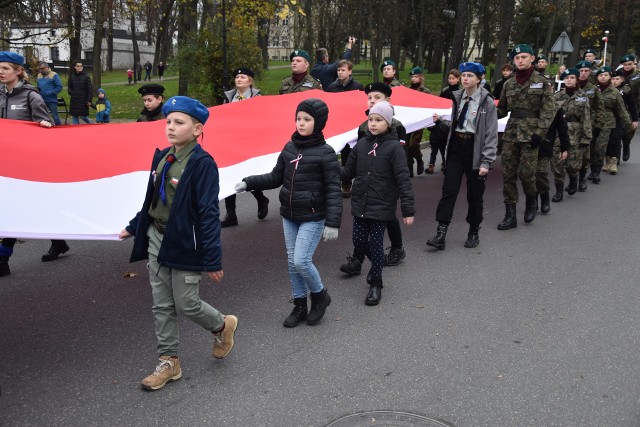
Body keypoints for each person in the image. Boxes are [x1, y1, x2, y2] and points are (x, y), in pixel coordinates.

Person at [118, 96, 238, 391]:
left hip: (186, 243)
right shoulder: (162, 156)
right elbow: (153, 199)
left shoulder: (202, 164)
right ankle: (169, 361)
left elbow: (209, 213)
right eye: (168, 121)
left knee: (187, 303)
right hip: (157, 237)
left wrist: (212, 258)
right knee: (162, 304)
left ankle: (223, 325)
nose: (170, 127)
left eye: (179, 122)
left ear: (197, 129)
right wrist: (134, 227)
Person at [234, 99, 341, 327]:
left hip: (313, 215)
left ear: (318, 122)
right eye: (298, 118)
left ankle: (320, 296)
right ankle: (300, 305)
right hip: (290, 214)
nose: (300, 123)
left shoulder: (326, 153)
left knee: (302, 261)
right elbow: (275, 177)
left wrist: (333, 222)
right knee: (292, 262)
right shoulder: (289, 147)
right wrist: (249, 182)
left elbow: (333, 188)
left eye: (307, 119)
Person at [0, 51, 70, 277]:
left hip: (25, 164)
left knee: (15, 207)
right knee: (35, 205)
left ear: (18, 71)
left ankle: (3, 257)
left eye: (5, 68)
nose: (0, 72)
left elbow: (47, 124)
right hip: (4, 161)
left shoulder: (32, 97)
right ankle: (59, 241)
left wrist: (44, 126)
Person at [340, 101, 414, 305]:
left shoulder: (395, 148)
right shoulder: (361, 144)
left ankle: (376, 282)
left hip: (382, 205)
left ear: (388, 123)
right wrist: (328, 167)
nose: (373, 124)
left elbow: (403, 179)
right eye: (370, 119)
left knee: (375, 243)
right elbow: (348, 172)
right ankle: (376, 267)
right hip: (360, 203)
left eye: (378, 120)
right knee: (359, 241)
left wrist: (408, 209)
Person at [426, 62, 497, 250]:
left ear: (479, 78)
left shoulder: (487, 101)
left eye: (470, 76)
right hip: (457, 148)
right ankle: (441, 232)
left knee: (474, 196)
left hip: (475, 149)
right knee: (448, 192)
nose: (465, 79)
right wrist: (441, 122)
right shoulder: (457, 97)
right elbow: (457, 124)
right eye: (464, 75)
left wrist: (486, 161)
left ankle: (473, 230)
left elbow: (491, 133)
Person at [345, 82, 408, 267]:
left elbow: (399, 156)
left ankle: (397, 248)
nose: (372, 101)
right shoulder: (364, 126)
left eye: (377, 98)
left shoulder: (396, 126)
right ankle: (358, 258)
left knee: (387, 216)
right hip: (367, 179)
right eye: (369, 98)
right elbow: (359, 153)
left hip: (387, 180)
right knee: (363, 217)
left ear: (388, 101)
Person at [496, 44, 555, 230]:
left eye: (523, 57)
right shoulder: (508, 84)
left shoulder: (542, 82)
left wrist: (540, 133)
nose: (520, 60)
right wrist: (485, 110)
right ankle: (510, 215)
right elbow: (502, 109)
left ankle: (531, 201)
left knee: (527, 174)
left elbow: (548, 111)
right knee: (508, 174)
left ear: (531, 58)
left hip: (532, 134)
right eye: (517, 58)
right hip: (512, 133)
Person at [220, 67, 269, 227]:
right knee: (230, 175)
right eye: (237, 77)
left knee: (247, 176)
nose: (239, 79)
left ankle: (261, 199)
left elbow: (262, 119)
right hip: (230, 141)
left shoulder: (257, 98)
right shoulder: (229, 98)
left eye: (243, 77)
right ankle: (231, 214)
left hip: (250, 142)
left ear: (250, 81)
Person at [552, 68, 591, 199]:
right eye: (567, 78)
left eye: (572, 77)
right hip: (559, 134)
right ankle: (558, 190)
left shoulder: (582, 96)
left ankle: (574, 179)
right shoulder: (557, 96)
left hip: (576, 132)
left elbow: (586, 117)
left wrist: (586, 137)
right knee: (557, 163)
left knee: (572, 165)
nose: (569, 80)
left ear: (576, 80)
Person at [595, 67, 631, 175]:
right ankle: (598, 164)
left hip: (608, 121)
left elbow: (622, 108)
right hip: (593, 120)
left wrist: (628, 122)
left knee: (605, 144)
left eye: (605, 75)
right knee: (594, 146)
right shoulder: (593, 89)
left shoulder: (615, 92)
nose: (603, 77)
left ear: (609, 77)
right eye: (601, 75)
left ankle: (601, 168)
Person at [575, 60, 606, 186]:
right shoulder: (571, 86)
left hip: (589, 125)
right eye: (581, 71)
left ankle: (584, 177)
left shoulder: (594, 89)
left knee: (587, 153)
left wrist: (598, 125)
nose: (583, 73)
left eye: (586, 71)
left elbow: (600, 108)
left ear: (590, 72)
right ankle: (573, 179)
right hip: (572, 126)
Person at [406, 67, 431, 176]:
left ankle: (419, 159)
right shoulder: (407, 90)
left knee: (413, 144)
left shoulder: (425, 90)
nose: (414, 79)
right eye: (412, 77)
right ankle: (409, 167)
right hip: (408, 120)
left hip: (419, 121)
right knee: (406, 145)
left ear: (421, 77)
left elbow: (429, 105)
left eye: (416, 76)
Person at [611, 68, 639, 164]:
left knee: (626, 135)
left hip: (625, 116)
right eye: (613, 79)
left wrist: (635, 119)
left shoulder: (626, 90)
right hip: (612, 117)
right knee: (616, 137)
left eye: (617, 79)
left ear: (622, 79)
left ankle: (626, 146)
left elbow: (632, 105)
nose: (615, 81)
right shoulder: (608, 90)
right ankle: (616, 158)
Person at [36, 61, 63, 125]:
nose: (41, 70)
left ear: (47, 67)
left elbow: (59, 87)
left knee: (55, 115)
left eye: (42, 68)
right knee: (43, 116)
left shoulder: (54, 74)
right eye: (40, 69)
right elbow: (38, 86)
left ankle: (59, 128)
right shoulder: (39, 75)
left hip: (52, 100)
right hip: (42, 99)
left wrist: (51, 93)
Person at [68, 60, 92, 124]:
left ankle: (90, 122)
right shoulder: (72, 76)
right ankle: (75, 131)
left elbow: (90, 89)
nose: (79, 67)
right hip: (74, 99)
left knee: (83, 115)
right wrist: (71, 92)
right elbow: (69, 86)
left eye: (81, 66)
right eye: (78, 66)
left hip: (83, 99)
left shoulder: (86, 76)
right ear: (75, 67)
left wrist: (89, 100)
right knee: (74, 115)